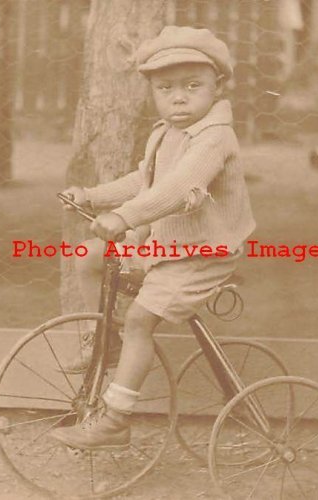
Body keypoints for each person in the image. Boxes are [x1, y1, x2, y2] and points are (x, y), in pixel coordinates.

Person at [50, 25, 256, 450]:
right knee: (90, 255)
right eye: (165, 88)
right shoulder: (165, 132)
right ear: (153, 93)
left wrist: (125, 217)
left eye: (192, 86)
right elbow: (143, 180)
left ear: (218, 86)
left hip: (203, 253)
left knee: (142, 320)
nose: (178, 97)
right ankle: (104, 339)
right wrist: (92, 195)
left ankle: (116, 420)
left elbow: (178, 189)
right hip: (166, 244)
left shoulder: (214, 138)